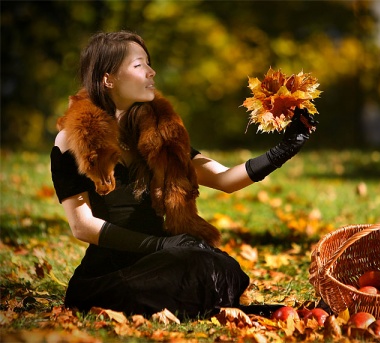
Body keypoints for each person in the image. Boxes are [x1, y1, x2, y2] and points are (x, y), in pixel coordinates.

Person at [51, 30, 316, 320]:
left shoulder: (162, 132)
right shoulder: (72, 140)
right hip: (111, 273)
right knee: (193, 264)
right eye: (139, 65)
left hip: (167, 259)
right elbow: (82, 226)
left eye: (149, 63)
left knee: (222, 267)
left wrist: (284, 149)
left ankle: (199, 303)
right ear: (108, 79)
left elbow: (225, 179)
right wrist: (161, 244)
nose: (152, 71)